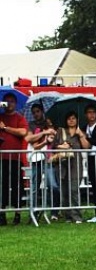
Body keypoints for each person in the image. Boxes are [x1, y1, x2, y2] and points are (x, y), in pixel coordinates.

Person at [52, 111, 90, 223]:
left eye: (73, 118)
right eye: (69, 118)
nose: (71, 120)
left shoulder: (81, 132)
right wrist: (62, 146)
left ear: (77, 120)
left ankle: (77, 216)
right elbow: (53, 146)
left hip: (75, 165)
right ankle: (68, 216)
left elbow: (86, 147)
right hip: (62, 164)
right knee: (64, 191)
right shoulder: (60, 131)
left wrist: (81, 135)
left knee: (74, 189)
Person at [0, 91, 29, 225]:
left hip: (15, 158)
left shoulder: (20, 118)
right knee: (2, 186)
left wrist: (5, 128)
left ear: (15, 104)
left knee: (16, 186)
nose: (9, 104)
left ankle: (17, 214)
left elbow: (23, 132)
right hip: (1, 158)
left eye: (12, 101)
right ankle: (2, 214)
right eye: (7, 101)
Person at [25, 103, 57, 217]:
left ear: (42, 111)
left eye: (38, 111)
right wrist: (44, 134)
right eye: (34, 112)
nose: (36, 114)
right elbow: (29, 139)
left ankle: (54, 212)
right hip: (36, 159)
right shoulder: (31, 125)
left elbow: (53, 137)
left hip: (48, 158)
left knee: (52, 185)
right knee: (35, 186)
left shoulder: (48, 123)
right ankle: (33, 211)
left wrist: (48, 131)